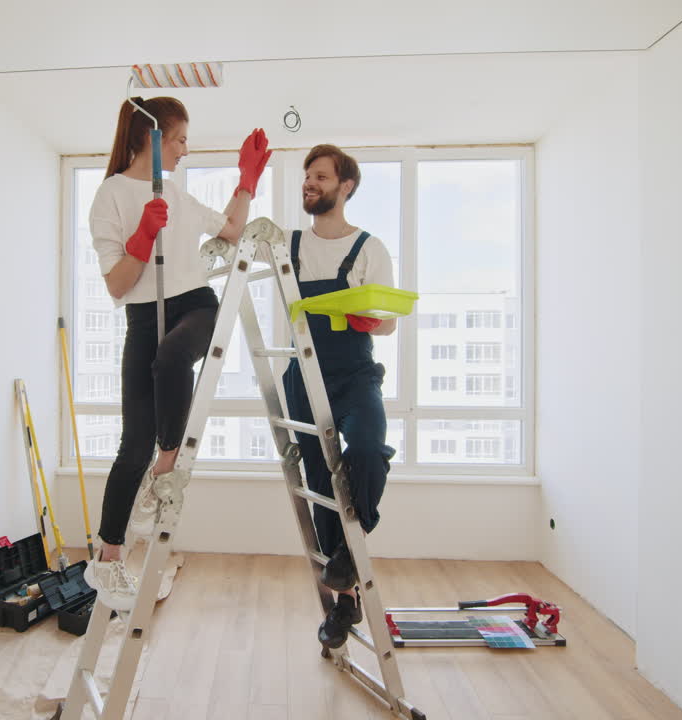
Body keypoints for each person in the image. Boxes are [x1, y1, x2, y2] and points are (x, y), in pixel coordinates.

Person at [83, 95, 271, 610]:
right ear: (153, 137)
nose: (186, 150)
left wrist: (247, 180)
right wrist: (143, 236)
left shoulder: (178, 195)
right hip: (142, 317)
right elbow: (117, 285)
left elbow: (231, 228)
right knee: (131, 446)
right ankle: (108, 559)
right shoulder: (110, 195)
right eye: (181, 139)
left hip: (194, 306)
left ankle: (165, 469)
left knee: (172, 357)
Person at [282, 144, 397, 648]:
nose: (310, 183)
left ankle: (350, 552)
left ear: (345, 187)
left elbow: (389, 323)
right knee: (321, 482)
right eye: (307, 175)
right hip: (303, 378)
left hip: (354, 375)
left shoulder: (369, 248)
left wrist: (363, 317)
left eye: (321, 176)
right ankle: (345, 602)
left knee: (368, 449)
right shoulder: (288, 245)